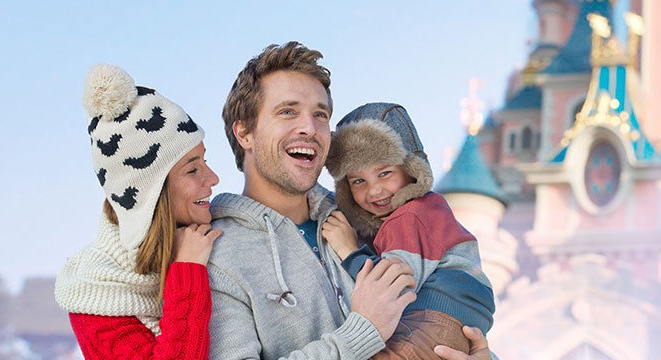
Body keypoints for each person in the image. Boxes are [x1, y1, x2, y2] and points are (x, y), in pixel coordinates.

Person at [208, 41, 492, 360]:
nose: (310, 127)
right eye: (288, 111)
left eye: (320, 114)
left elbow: (438, 317)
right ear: (244, 133)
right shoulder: (217, 254)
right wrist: (363, 330)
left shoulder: (366, 217)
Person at [54, 64, 221, 359]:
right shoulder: (94, 295)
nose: (213, 179)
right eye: (192, 169)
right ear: (150, 194)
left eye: (204, 161)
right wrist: (188, 273)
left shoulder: (216, 234)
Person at [322, 102, 496, 359]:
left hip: (435, 318)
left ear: (411, 170)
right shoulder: (426, 212)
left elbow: (394, 288)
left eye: (385, 173)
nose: (374, 191)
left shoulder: (409, 216)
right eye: (358, 181)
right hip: (458, 324)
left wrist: (350, 251)